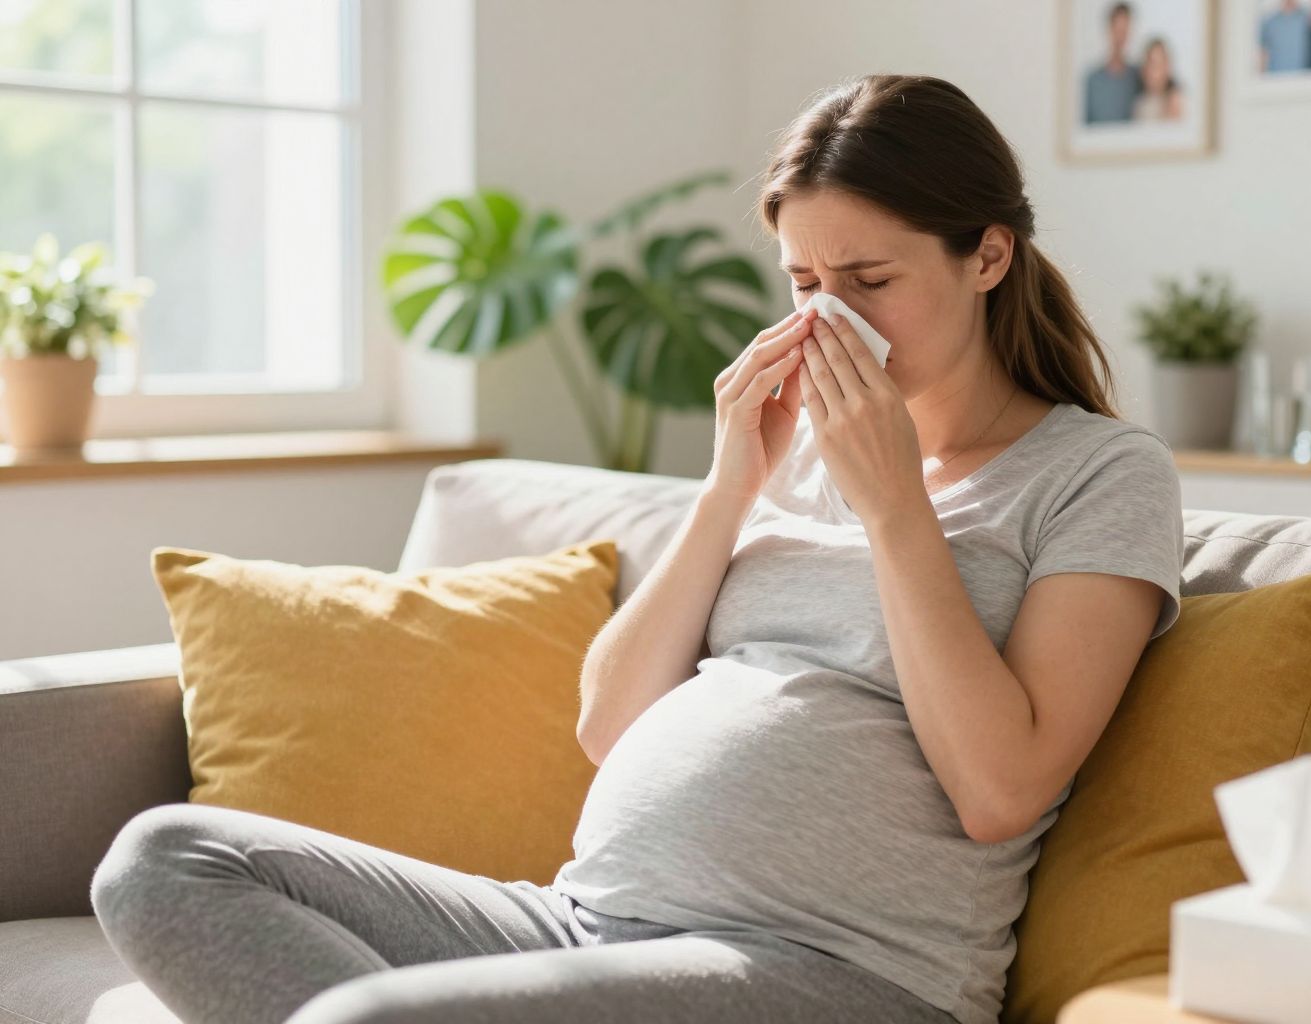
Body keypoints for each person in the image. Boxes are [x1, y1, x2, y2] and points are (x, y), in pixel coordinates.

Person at [90, 73, 1185, 1024]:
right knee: (163, 862)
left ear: (987, 255)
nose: (830, 320)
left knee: (369, 1015)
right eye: (805, 284)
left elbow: (1000, 790)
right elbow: (609, 723)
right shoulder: (787, 460)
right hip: (584, 921)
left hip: (839, 970)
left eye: (870, 281)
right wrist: (729, 488)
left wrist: (898, 506)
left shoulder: (1100, 476)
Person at [1084, 2, 1141, 123]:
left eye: (1125, 31)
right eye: (1117, 30)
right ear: (1109, 30)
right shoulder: (1092, 80)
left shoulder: (1138, 76)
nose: (1121, 38)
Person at [1132, 37, 1183, 121]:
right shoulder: (1139, 105)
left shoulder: (1178, 102)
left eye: (1156, 65)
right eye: (1148, 64)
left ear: (1167, 66)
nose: (1151, 72)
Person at [1259, 0, 1311, 73]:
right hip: (1277, 77)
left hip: (1302, 76)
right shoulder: (1270, 22)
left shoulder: (1307, 18)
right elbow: (1263, 54)